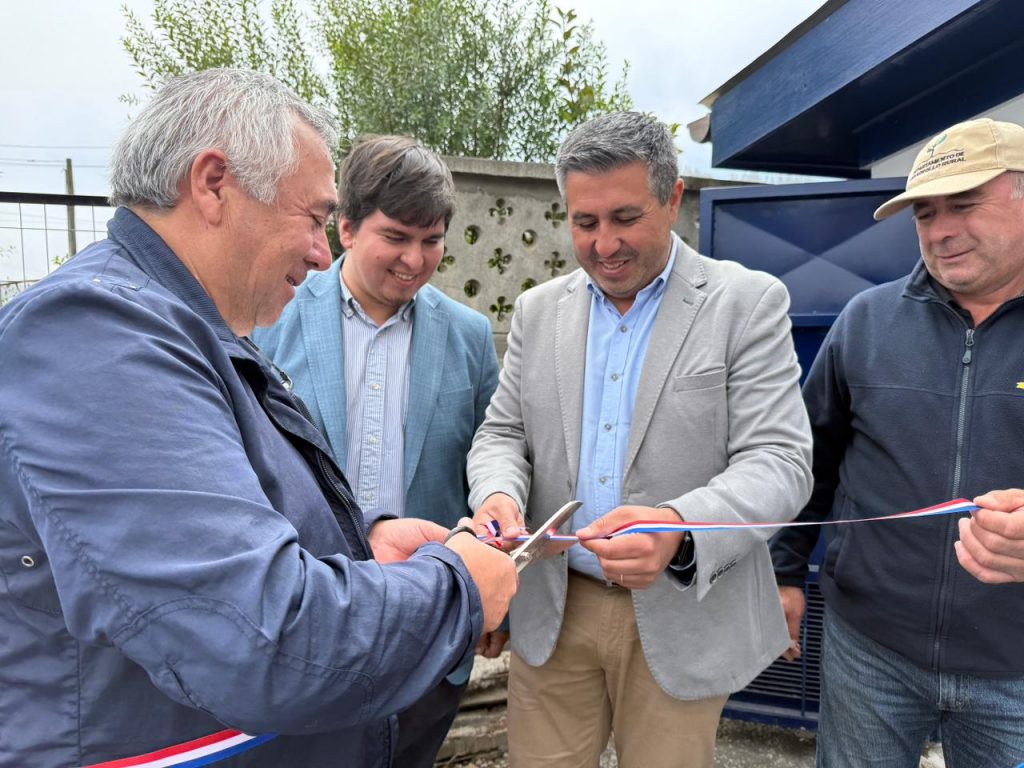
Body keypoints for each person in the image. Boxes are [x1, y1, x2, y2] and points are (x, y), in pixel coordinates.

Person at [0, 68, 516, 768]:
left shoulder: (190, 330)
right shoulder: (95, 335)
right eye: (312, 217)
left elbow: (217, 514)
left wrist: (361, 542)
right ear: (214, 184)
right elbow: (260, 638)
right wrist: (458, 589)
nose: (322, 252)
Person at [467, 111, 813, 768]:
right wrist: (498, 494)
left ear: (673, 197)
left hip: (683, 611)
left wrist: (680, 526)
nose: (604, 244)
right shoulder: (539, 311)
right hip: (555, 609)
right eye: (584, 222)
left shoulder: (746, 303)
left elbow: (781, 460)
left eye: (626, 218)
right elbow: (503, 433)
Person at [771, 117, 1024, 767]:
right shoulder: (866, 321)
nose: (940, 231)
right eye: (925, 214)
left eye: (964, 204)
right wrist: (784, 574)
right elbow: (811, 460)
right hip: (869, 652)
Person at [252, 134, 499, 767]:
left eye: (432, 240)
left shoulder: (470, 337)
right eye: (396, 236)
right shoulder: (271, 321)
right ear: (346, 229)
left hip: (426, 633)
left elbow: (489, 461)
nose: (415, 260)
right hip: (306, 628)